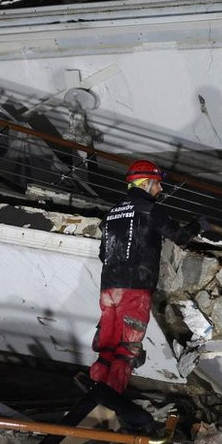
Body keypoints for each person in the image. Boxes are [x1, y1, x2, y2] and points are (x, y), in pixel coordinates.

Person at [89, 159, 211, 393]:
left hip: (109, 289)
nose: (160, 189)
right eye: (157, 184)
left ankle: (95, 390)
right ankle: (111, 401)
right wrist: (199, 225)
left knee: (106, 348)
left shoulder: (112, 214)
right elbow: (179, 236)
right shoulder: (150, 210)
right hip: (135, 289)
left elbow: (104, 254)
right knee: (126, 350)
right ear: (144, 184)